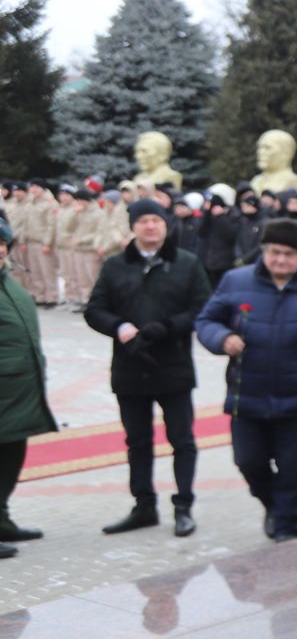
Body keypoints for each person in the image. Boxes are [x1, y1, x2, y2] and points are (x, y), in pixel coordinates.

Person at [196, 218, 297, 541]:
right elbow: (206, 319)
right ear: (264, 251)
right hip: (246, 395)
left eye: (290, 255)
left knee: (294, 472)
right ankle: (273, 504)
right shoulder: (235, 281)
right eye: (275, 252)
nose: (281, 260)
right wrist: (222, 338)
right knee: (248, 462)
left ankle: (287, 531)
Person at [84, 196, 214, 537]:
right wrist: (118, 327)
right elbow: (94, 310)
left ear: (165, 224)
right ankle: (144, 506)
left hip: (172, 365)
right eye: (143, 221)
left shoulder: (186, 263)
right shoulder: (115, 266)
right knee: (138, 441)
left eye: (156, 220)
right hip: (130, 366)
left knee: (182, 440)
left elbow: (203, 307)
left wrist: (168, 326)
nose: (150, 226)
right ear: (134, 227)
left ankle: (183, 506)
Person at [0, 219, 54, 559]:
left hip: (17, 394)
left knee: (10, 457)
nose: (0, 251)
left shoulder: (10, 284)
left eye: (2, 244)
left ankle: (1, 519)